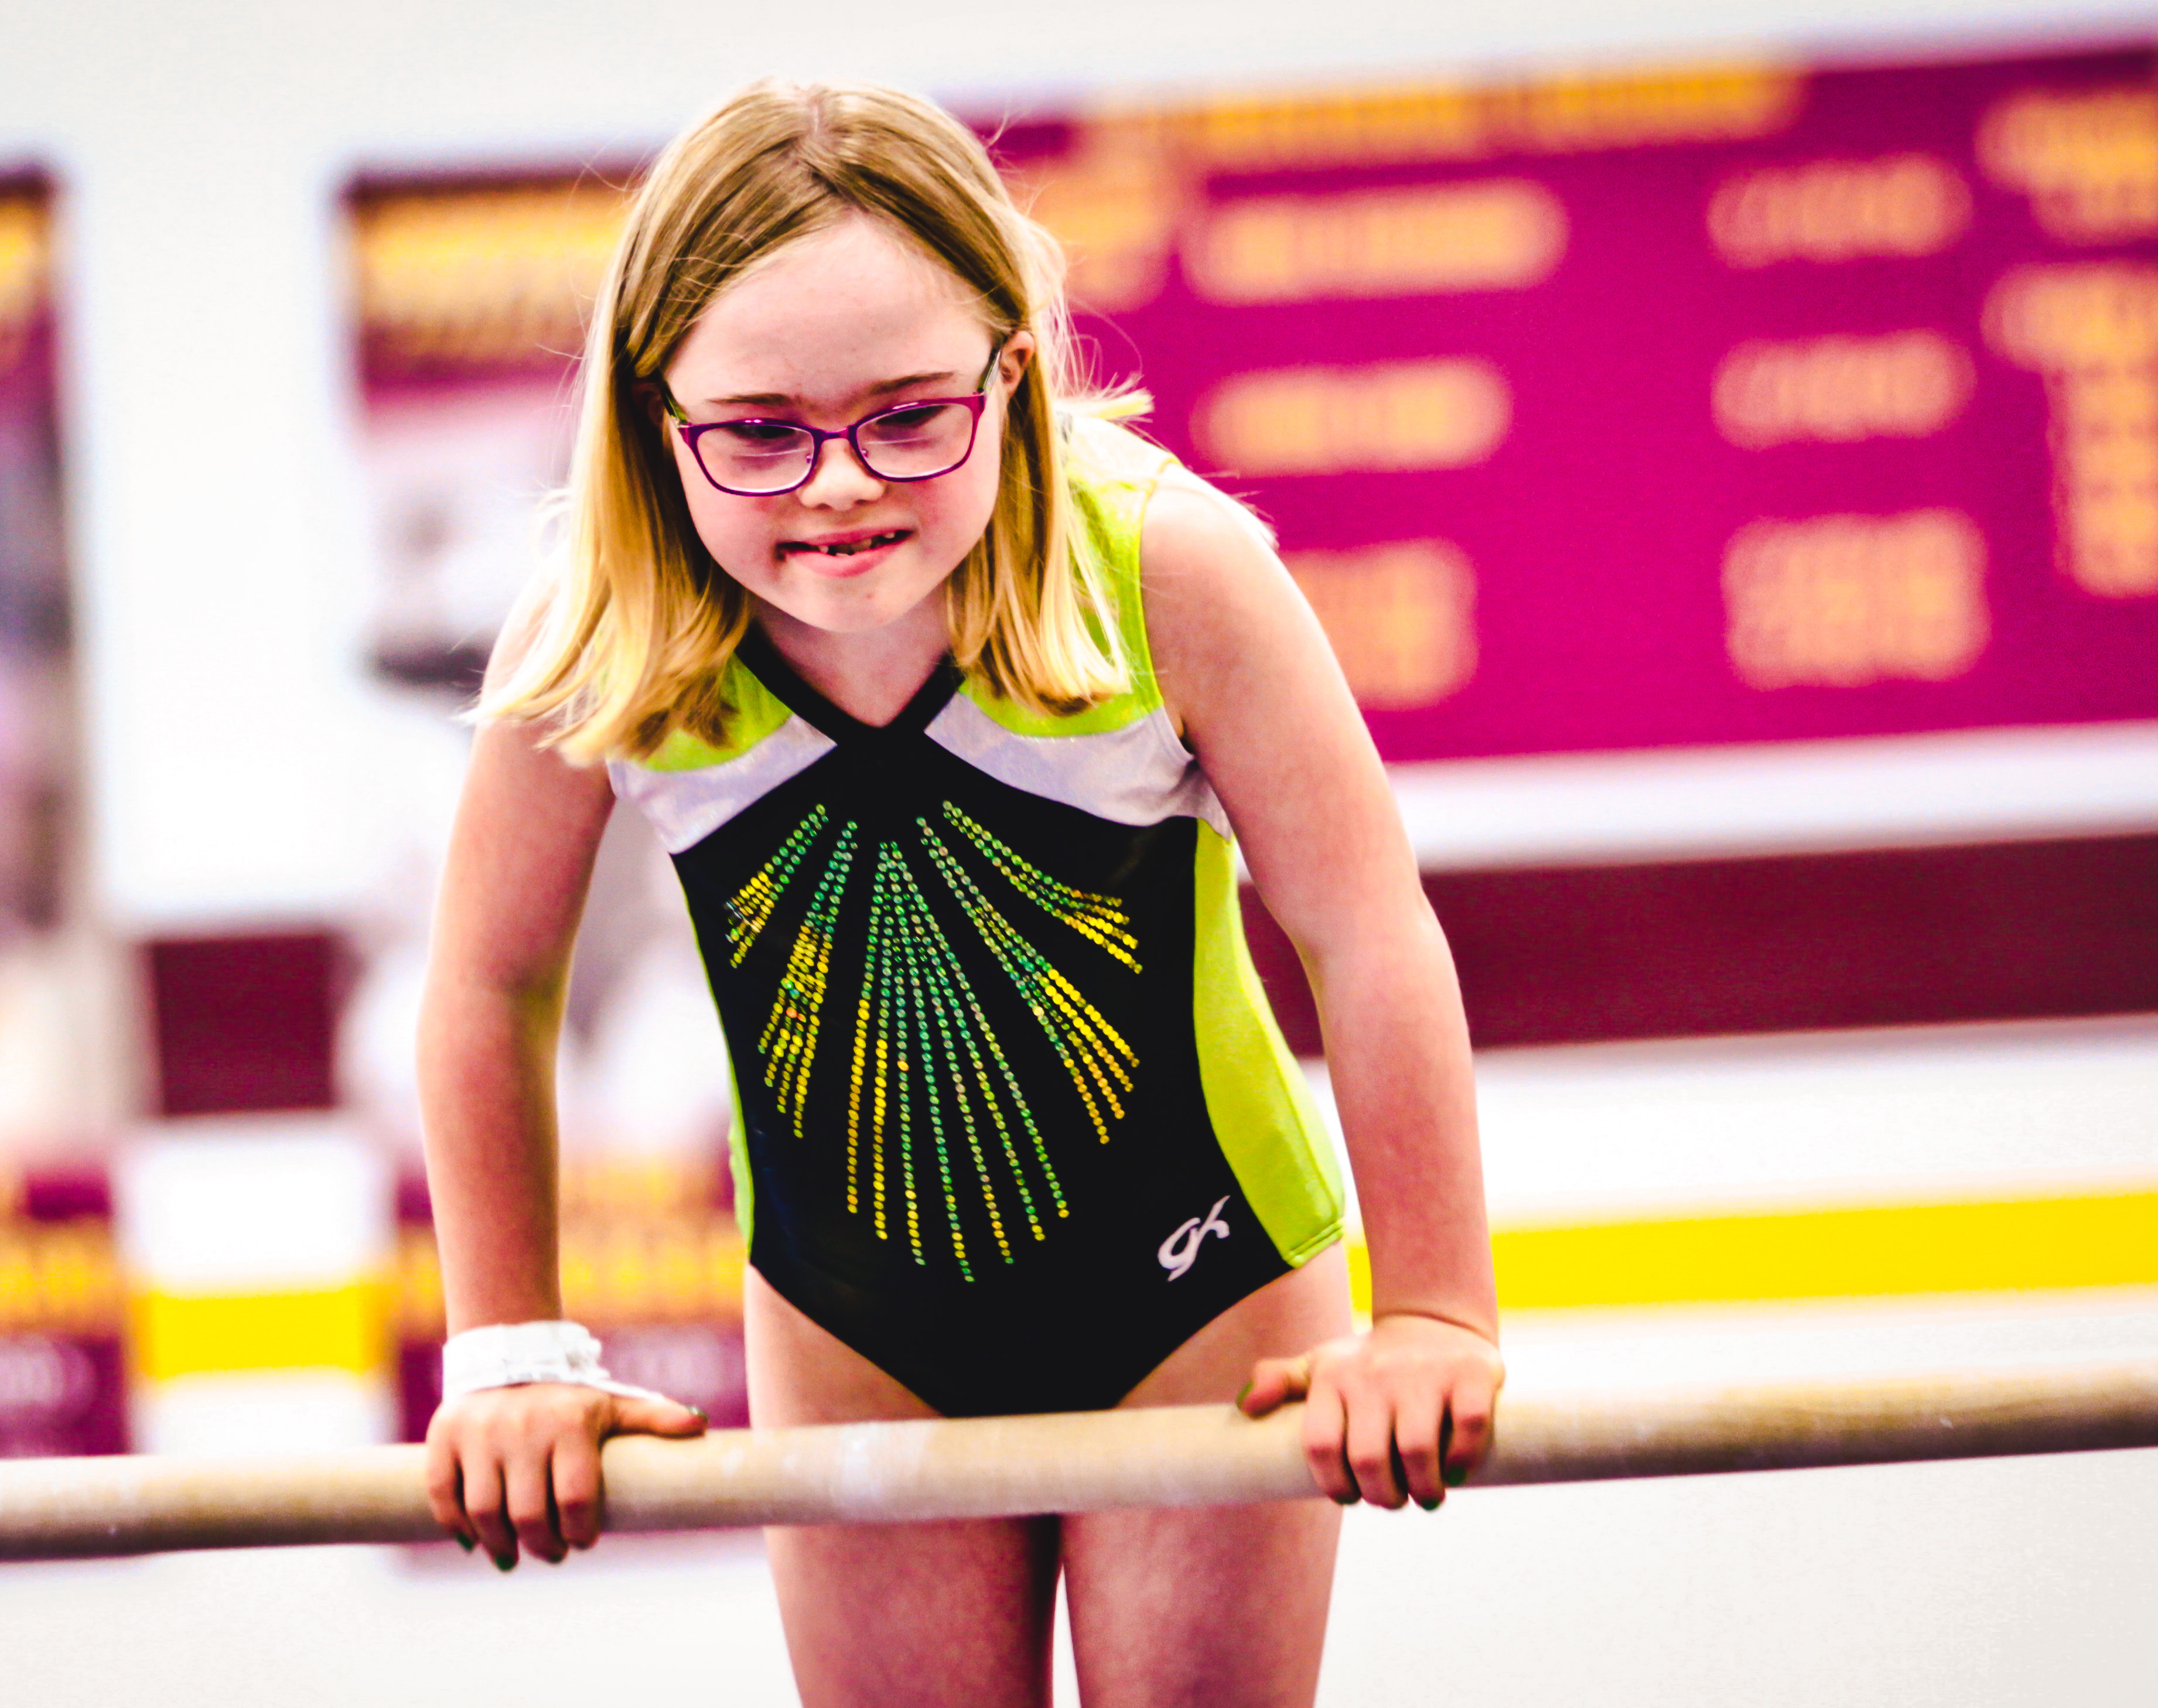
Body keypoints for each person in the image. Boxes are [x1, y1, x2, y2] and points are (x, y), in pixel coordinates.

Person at [417, 79, 1501, 1706]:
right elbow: (489, 987)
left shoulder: (1164, 574)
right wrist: (511, 1351)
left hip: (1200, 1292)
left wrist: (1435, 1310)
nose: (839, 484)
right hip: (861, 1333)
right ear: (655, 418)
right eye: (762, 431)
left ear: (1013, 377)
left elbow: (1365, 924)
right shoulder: (610, 640)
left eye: (910, 418)